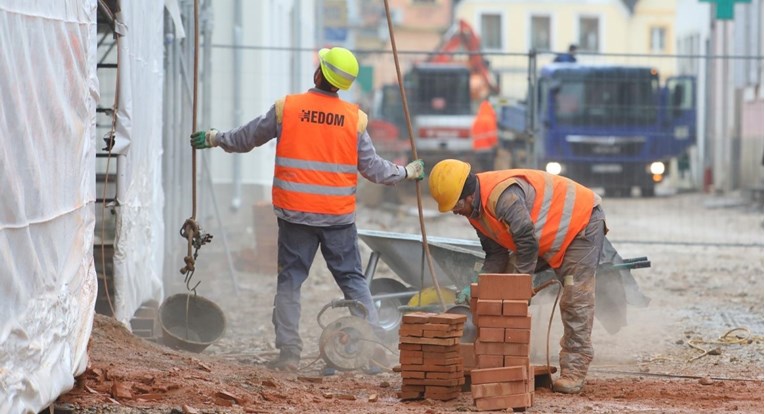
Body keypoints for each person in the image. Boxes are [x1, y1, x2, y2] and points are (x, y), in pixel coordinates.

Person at [190, 47, 425, 373]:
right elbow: (375, 170)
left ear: (319, 73)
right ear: (341, 84)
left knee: (290, 283)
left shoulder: (288, 108)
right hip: (338, 219)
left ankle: (289, 355)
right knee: (354, 282)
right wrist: (407, 172)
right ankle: (371, 352)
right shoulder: (354, 119)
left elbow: (246, 138)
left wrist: (215, 138)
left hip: (295, 216)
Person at [428, 159, 606, 394]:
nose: (454, 211)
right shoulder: (474, 213)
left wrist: (521, 285)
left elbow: (526, 240)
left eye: (455, 205)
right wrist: (478, 287)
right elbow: (496, 256)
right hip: (544, 234)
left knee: (575, 296)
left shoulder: (503, 197)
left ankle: (575, 368)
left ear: (469, 196)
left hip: (580, 223)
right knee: (504, 284)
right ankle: (502, 354)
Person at [471, 100, 499, 173]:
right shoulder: (489, 119)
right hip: (488, 151)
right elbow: (492, 136)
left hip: (478, 151)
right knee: (489, 172)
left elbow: (473, 135)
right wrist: (495, 147)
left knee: (481, 172)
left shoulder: (477, 120)